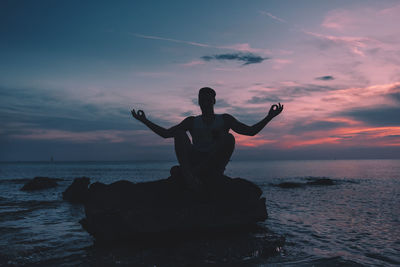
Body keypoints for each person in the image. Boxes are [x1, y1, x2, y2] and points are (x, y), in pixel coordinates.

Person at [131, 87, 283, 188]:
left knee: (229, 138)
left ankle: (189, 174)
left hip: (214, 163)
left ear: (214, 101)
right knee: (179, 133)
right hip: (195, 158)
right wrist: (144, 120)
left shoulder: (225, 119)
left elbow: (250, 131)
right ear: (198, 101)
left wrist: (269, 117)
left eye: (208, 100)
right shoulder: (191, 121)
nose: (204, 103)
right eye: (201, 100)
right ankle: (189, 175)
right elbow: (166, 134)